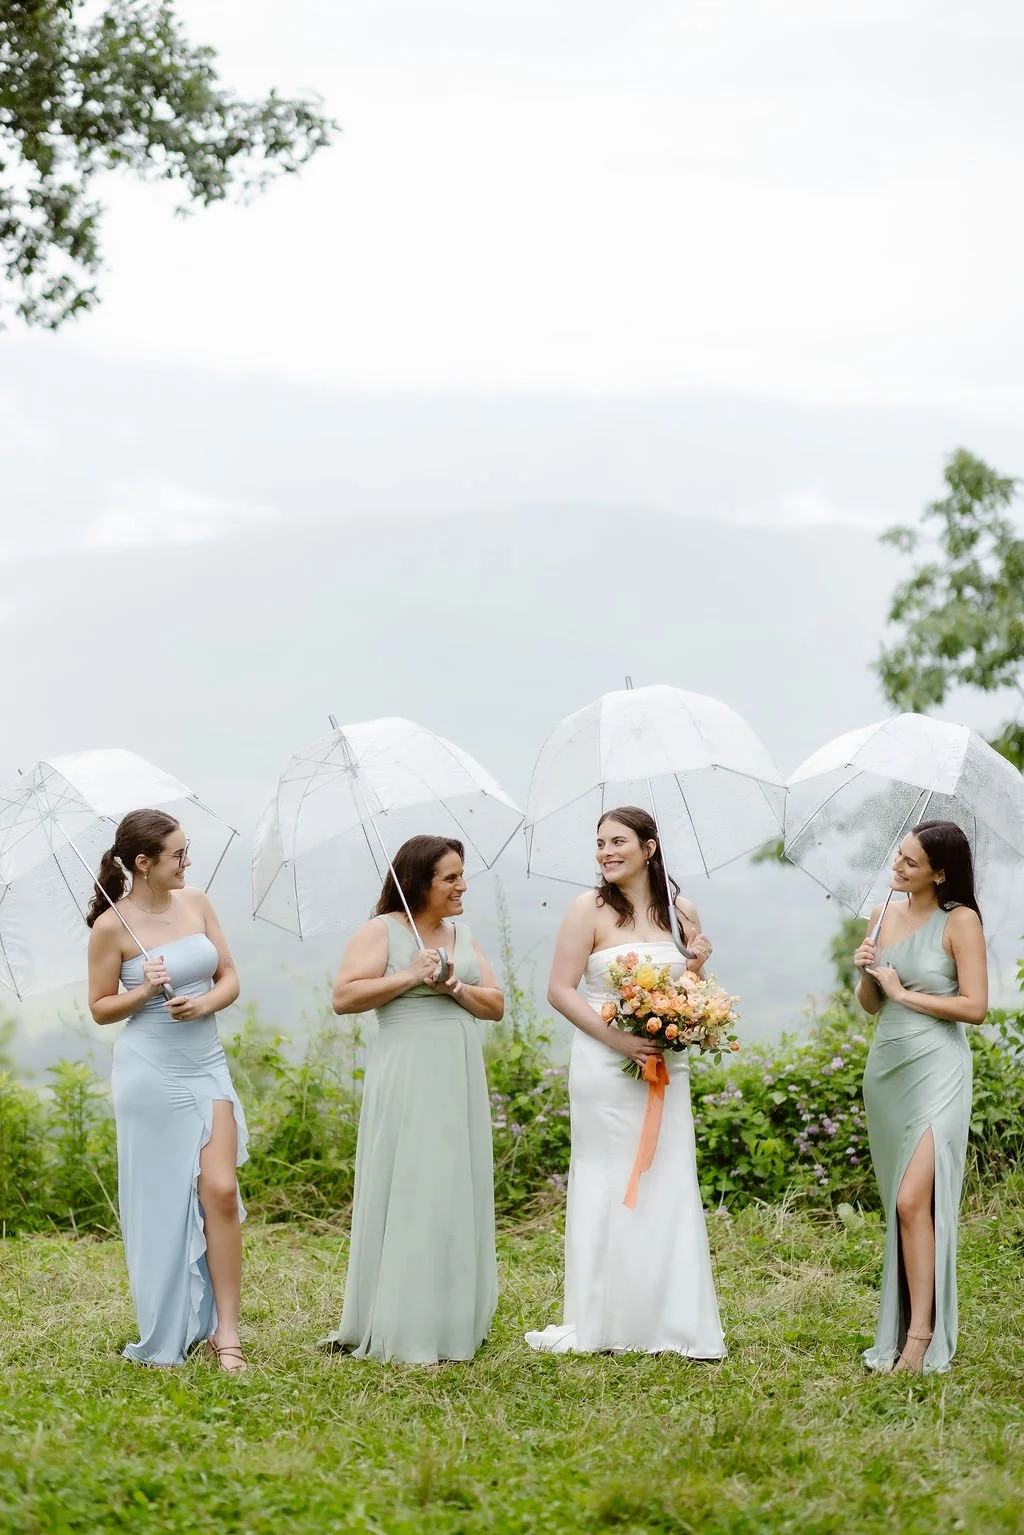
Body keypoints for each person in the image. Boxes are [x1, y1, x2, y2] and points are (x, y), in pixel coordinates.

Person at [525, 805, 725, 1357]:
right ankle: (603, 1320)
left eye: (618, 842)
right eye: (600, 843)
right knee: (605, 1179)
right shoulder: (586, 909)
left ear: (649, 848)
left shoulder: (680, 909)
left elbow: (688, 993)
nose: (606, 852)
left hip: (666, 1062)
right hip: (603, 1062)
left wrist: (699, 966)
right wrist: (617, 1040)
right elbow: (560, 989)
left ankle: (670, 1322)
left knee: (668, 1174)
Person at [322, 835, 503, 1363]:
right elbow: (343, 997)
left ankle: (452, 1317)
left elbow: (493, 1005)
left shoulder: (461, 934)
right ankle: (402, 1316)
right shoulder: (382, 931)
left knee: (453, 1183)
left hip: (459, 1070)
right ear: (420, 883)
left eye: (462, 874)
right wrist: (409, 975)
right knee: (413, 1181)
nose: (462, 885)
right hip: (407, 1071)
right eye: (450, 877)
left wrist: (453, 987)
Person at [87, 810, 248, 1371]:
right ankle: (172, 1322)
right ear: (143, 863)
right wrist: (144, 991)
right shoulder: (112, 927)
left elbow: (228, 976)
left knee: (221, 1192)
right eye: (178, 854)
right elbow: (102, 1008)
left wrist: (202, 1002)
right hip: (148, 1073)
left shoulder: (197, 902)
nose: (187, 863)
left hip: (205, 1063)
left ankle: (226, 1333)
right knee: (164, 1205)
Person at [854, 820, 988, 1375]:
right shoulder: (882, 914)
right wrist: (865, 969)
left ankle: (919, 1336)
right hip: (888, 1070)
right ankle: (907, 1324)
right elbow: (870, 1004)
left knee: (915, 1200)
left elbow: (975, 1008)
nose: (898, 868)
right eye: (898, 857)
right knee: (902, 1207)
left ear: (940, 871)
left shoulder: (961, 921)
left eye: (910, 862)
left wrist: (905, 992)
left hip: (939, 1068)